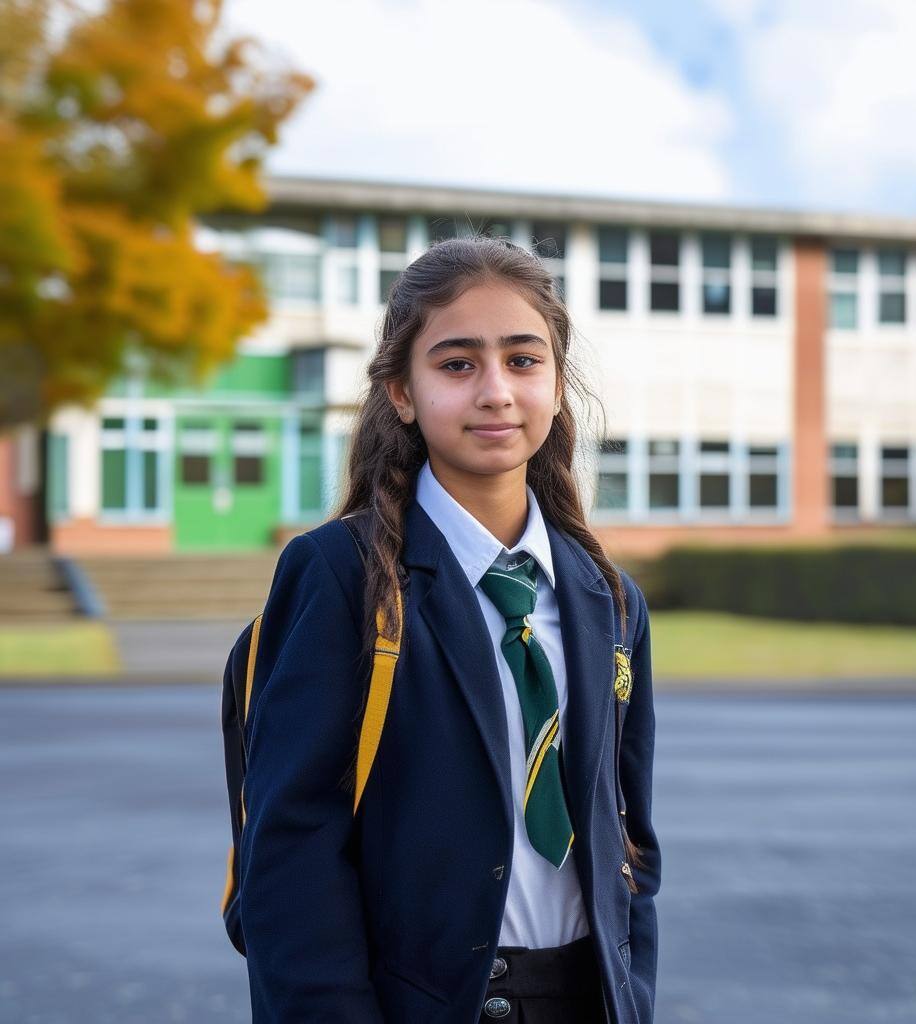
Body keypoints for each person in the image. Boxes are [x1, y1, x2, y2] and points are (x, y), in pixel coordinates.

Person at [237, 234, 660, 1023]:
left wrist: (632, 991)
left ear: (558, 385)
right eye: (457, 364)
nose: (496, 391)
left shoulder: (611, 599)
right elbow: (291, 848)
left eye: (524, 361)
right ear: (401, 391)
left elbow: (629, 833)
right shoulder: (342, 576)